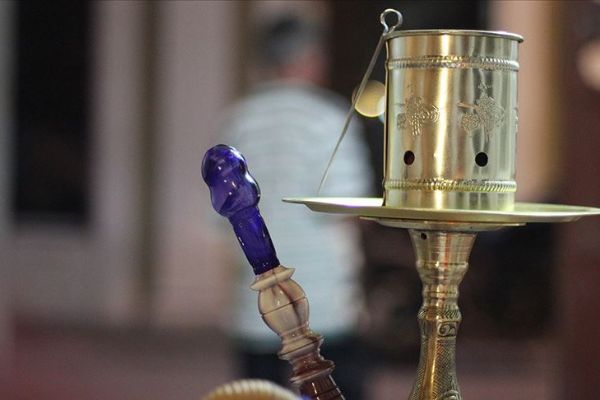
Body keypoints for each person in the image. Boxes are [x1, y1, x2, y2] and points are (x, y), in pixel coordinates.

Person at [216, 14, 373, 400]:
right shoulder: (329, 117)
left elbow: (221, 212)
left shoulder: (238, 120)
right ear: (310, 58)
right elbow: (348, 207)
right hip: (322, 298)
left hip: (256, 298)